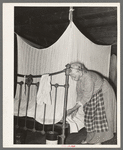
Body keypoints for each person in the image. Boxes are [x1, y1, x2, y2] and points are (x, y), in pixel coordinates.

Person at [66, 62, 116, 144]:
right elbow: (79, 93)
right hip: (93, 94)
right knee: (89, 118)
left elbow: (86, 96)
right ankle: (90, 138)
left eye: (73, 76)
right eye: (71, 76)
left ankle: (98, 141)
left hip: (103, 92)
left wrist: (72, 109)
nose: (72, 78)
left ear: (80, 71)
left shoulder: (88, 78)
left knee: (99, 119)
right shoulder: (80, 78)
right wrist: (76, 109)